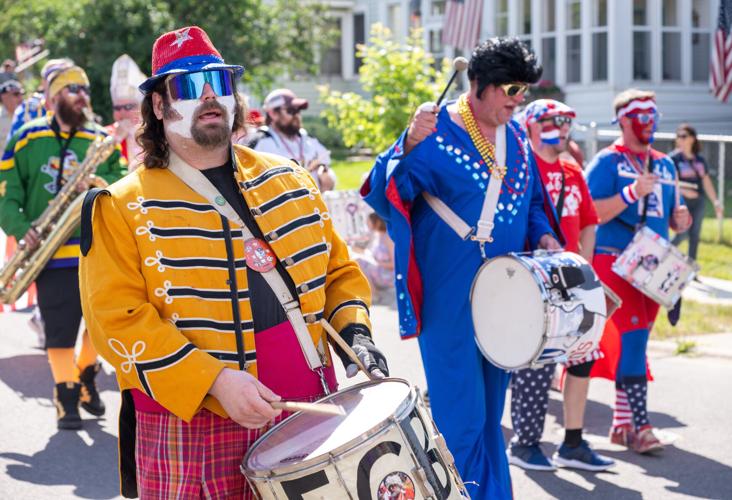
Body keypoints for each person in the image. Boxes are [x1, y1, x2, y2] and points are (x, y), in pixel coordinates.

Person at [78, 26, 387, 498]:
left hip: (310, 405)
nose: (208, 96)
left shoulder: (291, 179)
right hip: (193, 422)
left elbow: (338, 272)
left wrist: (356, 334)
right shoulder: (119, 205)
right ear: (159, 106)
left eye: (220, 82)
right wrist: (216, 382)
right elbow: (116, 322)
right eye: (186, 85)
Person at [362, 37, 561, 499]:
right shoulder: (435, 132)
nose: (518, 100)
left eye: (524, 91)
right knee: (461, 418)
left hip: (506, 299)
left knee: (493, 414)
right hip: (449, 299)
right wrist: (407, 142)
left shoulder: (516, 138)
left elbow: (531, 203)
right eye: (511, 89)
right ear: (479, 85)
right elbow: (381, 193)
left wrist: (545, 234)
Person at [0, 65, 126, 429]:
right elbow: (8, 191)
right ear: (54, 97)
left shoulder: (99, 140)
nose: (82, 95)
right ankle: (65, 394)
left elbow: (122, 182)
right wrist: (23, 229)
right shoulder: (26, 137)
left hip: (95, 249)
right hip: (50, 253)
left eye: (85, 89)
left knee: (101, 325)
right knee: (58, 328)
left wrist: (100, 180)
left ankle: (87, 371)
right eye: (72, 89)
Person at [506, 99, 613, 472]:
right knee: (535, 362)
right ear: (532, 125)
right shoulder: (520, 168)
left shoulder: (572, 170)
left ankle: (572, 443)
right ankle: (525, 443)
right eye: (554, 121)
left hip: (572, 282)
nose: (563, 129)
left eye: (567, 122)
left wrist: (585, 270)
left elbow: (588, 222)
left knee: (582, 357)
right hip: (532, 283)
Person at [585, 89, 691, 454]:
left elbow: (672, 217)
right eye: (641, 116)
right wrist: (631, 192)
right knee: (631, 340)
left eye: (653, 116)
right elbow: (591, 214)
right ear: (624, 121)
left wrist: (682, 219)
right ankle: (642, 428)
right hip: (616, 262)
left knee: (639, 344)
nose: (649, 122)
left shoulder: (665, 164)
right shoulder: (606, 162)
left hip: (654, 265)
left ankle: (621, 425)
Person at [248, 88, 337, 192]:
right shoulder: (261, 143)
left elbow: (326, 166)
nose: (297, 115)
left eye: (298, 110)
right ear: (273, 113)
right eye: (291, 111)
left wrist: (327, 177)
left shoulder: (307, 140)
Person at [670, 123, 724, 260]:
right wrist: (685, 191)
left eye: (683, 136)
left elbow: (706, 182)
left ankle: (691, 269)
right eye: (678, 136)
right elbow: (669, 183)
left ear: (692, 138)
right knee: (682, 234)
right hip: (682, 201)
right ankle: (661, 255)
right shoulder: (673, 159)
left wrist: (716, 202)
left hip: (698, 201)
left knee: (695, 235)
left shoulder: (699, 160)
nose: (680, 139)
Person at [6, 58, 75, 142]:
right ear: (43, 83)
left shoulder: (79, 111)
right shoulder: (27, 111)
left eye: (67, 77)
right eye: (54, 77)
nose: (60, 83)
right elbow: (12, 149)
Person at [107, 54, 147, 172]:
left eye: (129, 106)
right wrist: (115, 140)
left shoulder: (157, 133)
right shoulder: (105, 135)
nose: (123, 112)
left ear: (142, 107)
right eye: (117, 108)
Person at [354, 212, 395, 304]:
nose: (367, 224)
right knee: (356, 261)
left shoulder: (388, 238)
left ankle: (374, 294)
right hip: (380, 269)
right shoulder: (378, 236)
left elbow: (394, 264)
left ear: (377, 222)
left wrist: (376, 263)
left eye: (368, 222)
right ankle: (371, 293)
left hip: (388, 274)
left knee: (359, 263)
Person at [0, 79, 24, 151]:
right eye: (16, 94)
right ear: (4, 97)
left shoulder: (28, 115)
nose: (20, 97)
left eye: (22, 94)